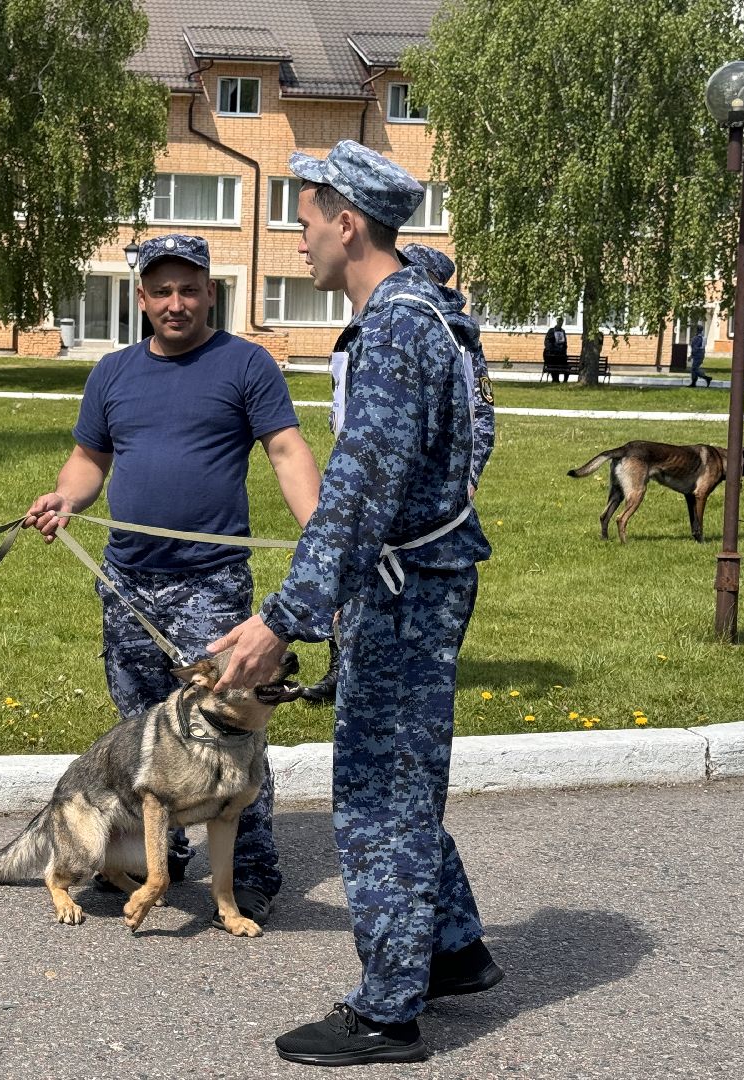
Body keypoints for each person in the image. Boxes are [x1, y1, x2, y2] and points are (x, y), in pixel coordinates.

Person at [208, 141, 500, 1067]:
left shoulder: (397, 329)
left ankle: (386, 1012)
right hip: (415, 580)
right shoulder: (429, 313)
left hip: (405, 588)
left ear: (348, 223)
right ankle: (452, 951)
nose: (297, 237)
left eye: (303, 218)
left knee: (380, 796)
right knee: (403, 779)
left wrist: (280, 618)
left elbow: (359, 498)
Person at [23, 234, 321, 926]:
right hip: (126, 579)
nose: (176, 303)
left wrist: (321, 533)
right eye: (162, 291)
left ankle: (250, 869)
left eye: (189, 289)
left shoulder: (245, 364)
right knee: (144, 733)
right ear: (143, 298)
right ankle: (167, 854)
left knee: (233, 731)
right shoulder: (114, 373)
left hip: (211, 583)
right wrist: (66, 497)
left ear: (208, 292)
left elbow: (284, 450)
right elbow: (88, 459)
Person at [299, 241, 495, 705]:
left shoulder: (434, 332)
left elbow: (478, 415)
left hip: (417, 519)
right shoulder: (369, 324)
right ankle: (339, 665)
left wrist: (465, 482)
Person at [542, 316, 568, 382]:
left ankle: (564, 381)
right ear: (557, 322)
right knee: (553, 365)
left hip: (560, 356)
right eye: (559, 322)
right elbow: (547, 342)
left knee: (565, 366)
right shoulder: (551, 331)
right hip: (552, 356)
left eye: (561, 322)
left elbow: (565, 344)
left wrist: (562, 348)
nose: (560, 323)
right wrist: (553, 349)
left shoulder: (563, 331)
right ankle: (555, 380)